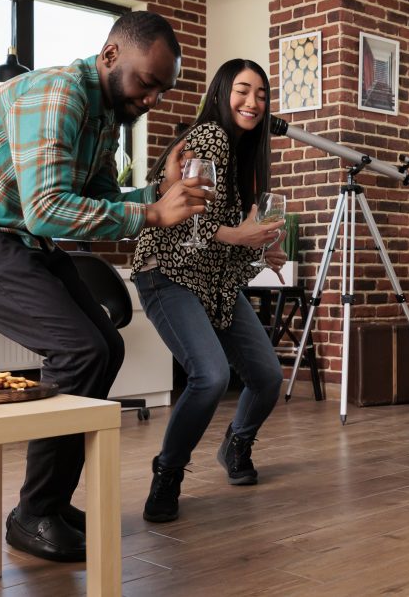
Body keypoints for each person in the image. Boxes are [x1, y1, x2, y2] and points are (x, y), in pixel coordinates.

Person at [0, 11, 209, 562]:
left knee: (104, 348)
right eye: (147, 82)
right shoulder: (60, 95)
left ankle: (49, 504)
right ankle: (33, 514)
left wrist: (155, 196)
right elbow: (47, 211)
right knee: (78, 348)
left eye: (164, 88)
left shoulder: (105, 119)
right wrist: (156, 216)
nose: (153, 99)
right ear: (111, 56)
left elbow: (101, 205)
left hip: (8, 234)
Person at [132, 59, 286, 523]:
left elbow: (225, 235)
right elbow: (189, 221)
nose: (252, 102)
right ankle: (168, 473)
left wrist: (261, 250)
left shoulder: (247, 155)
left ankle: (236, 444)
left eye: (261, 94)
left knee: (267, 376)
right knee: (210, 375)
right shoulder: (209, 138)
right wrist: (240, 238)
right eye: (242, 90)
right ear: (221, 93)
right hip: (168, 273)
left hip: (213, 281)